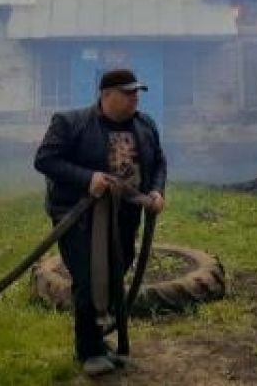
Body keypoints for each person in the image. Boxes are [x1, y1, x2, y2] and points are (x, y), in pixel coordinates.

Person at [34, 68, 168, 377]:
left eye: (137, 92)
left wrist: (157, 190)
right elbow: (44, 160)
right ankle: (89, 350)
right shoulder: (70, 123)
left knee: (115, 274)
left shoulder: (145, 125)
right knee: (88, 276)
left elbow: (159, 160)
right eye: (128, 93)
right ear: (107, 95)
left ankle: (100, 341)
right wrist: (87, 178)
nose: (135, 98)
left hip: (126, 214)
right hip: (80, 216)